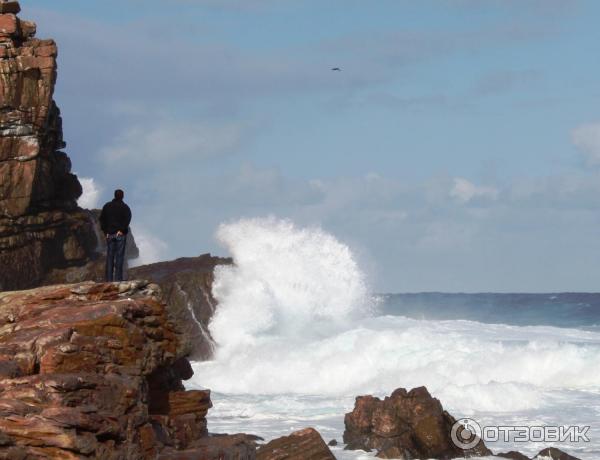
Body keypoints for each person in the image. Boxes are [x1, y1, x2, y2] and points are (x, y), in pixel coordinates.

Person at [99, 189, 132, 282]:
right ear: (122, 196)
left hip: (109, 234)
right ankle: (118, 280)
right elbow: (128, 219)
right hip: (120, 235)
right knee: (119, 257)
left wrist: (106, 232)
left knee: (110, 257)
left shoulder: (107, 206)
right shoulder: (125, 207)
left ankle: (109, 280)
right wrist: (121, 230)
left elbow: (102, 220)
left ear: (114, 195)